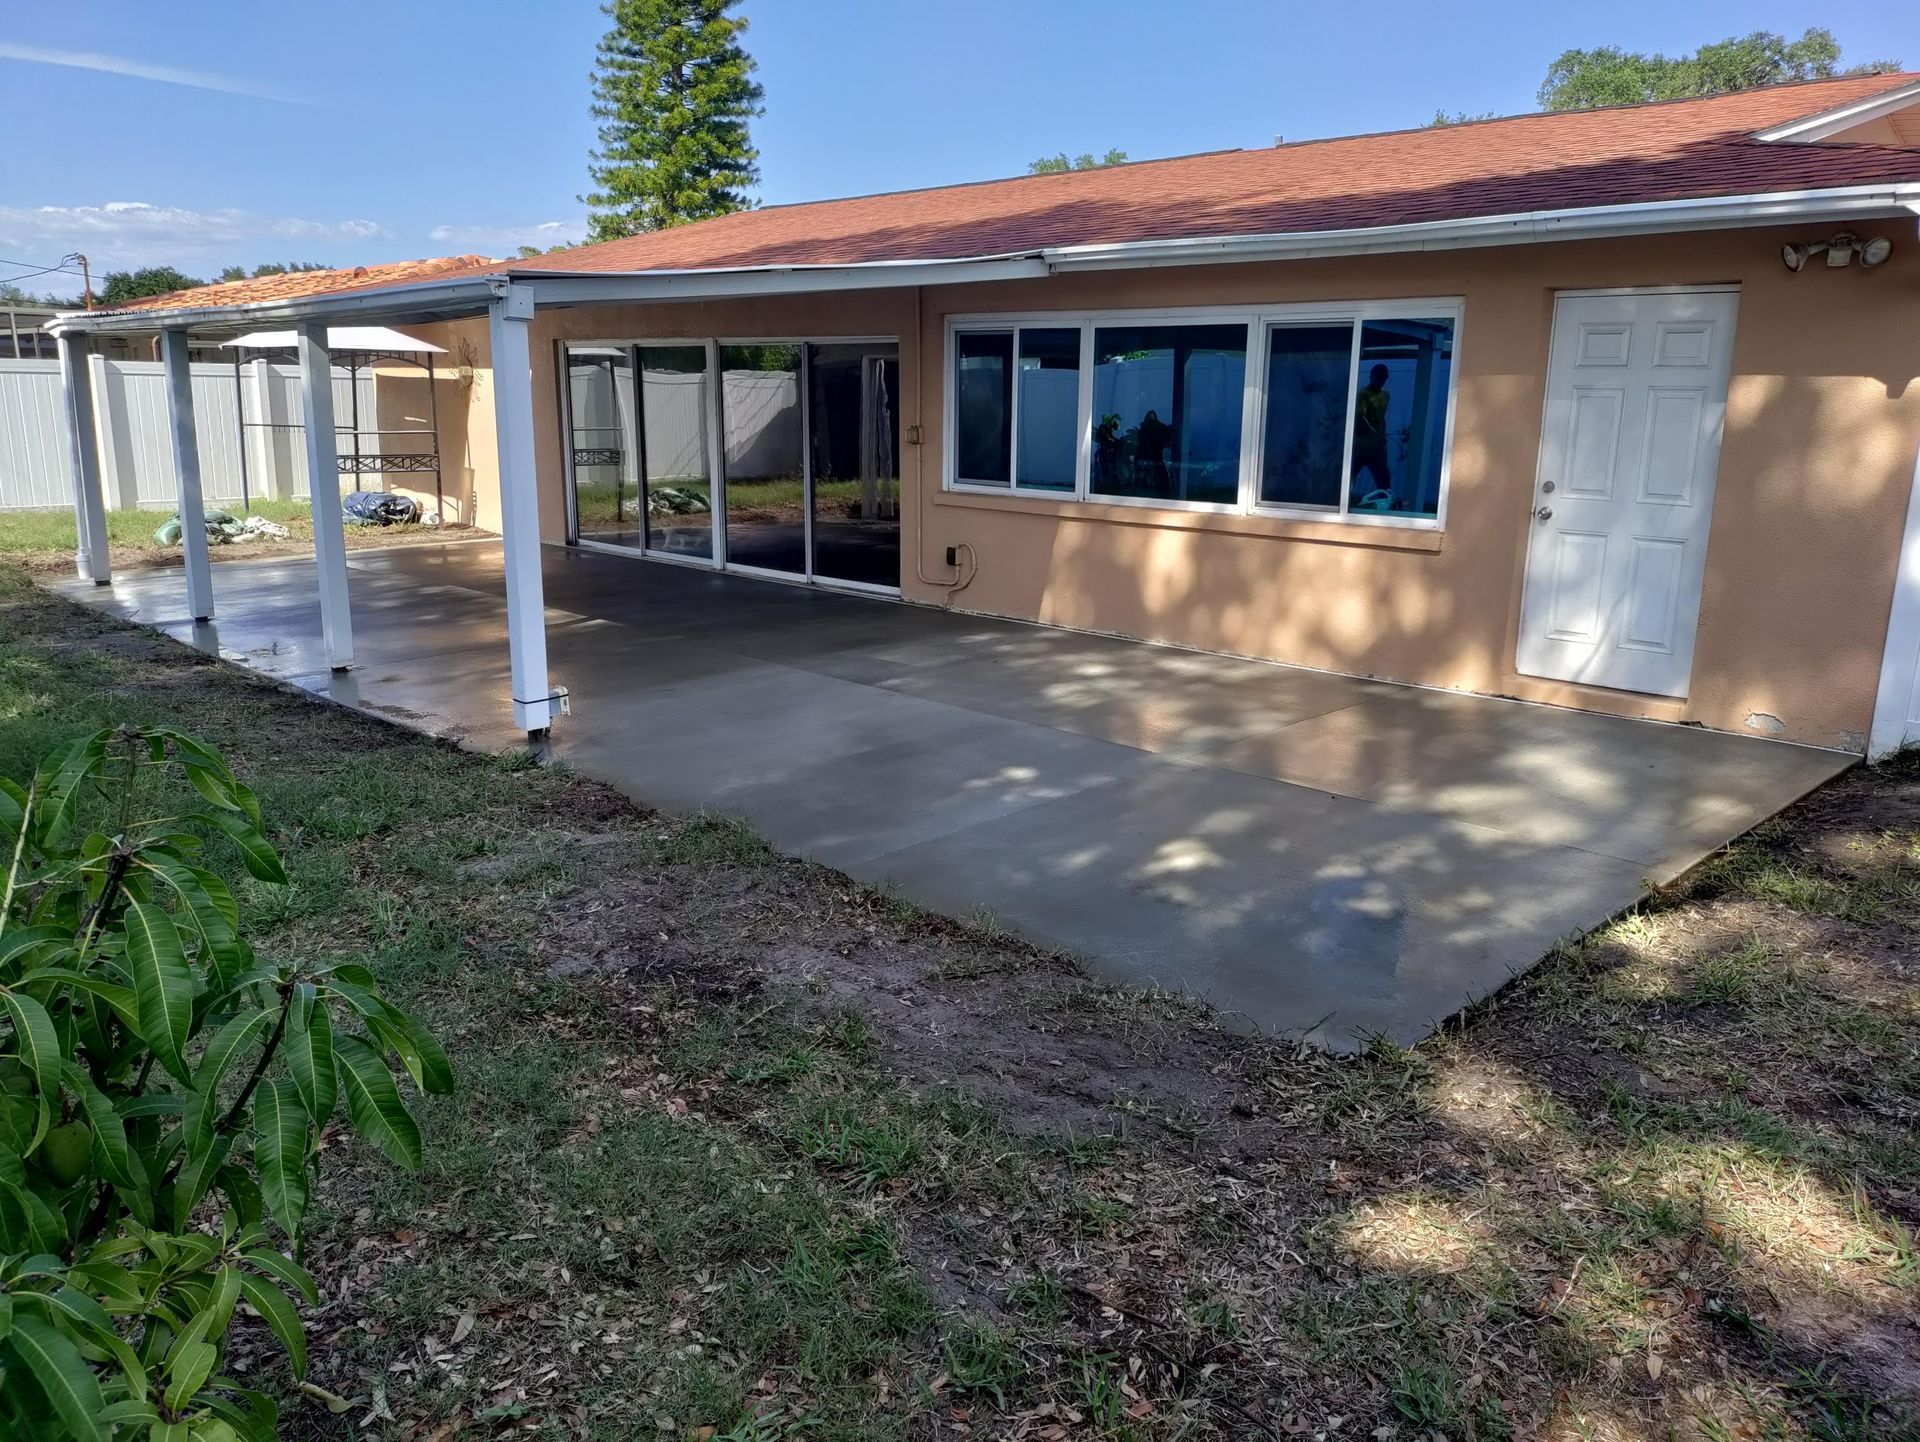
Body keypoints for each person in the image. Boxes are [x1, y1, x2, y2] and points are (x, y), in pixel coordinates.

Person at [1350, 363, 1393, 505]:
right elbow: (1360, 417)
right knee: (1350, 475)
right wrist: (1374, 433)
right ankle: (1342, 502)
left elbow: (1381, 418)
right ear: (1371, 376)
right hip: (1361, 444)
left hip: (1377, 446)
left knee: (1383, 478)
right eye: (1377, 377)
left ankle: (1385, 504)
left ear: (1386, 378)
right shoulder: (1364, 394)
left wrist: (1382, 435)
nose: (1380, 380)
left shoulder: (1385, 395)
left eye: (1382, 378)